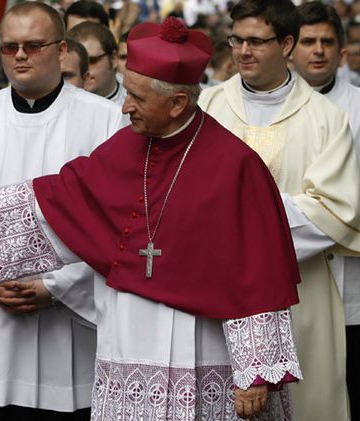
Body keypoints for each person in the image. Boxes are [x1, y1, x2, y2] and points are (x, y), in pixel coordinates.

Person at [0, 17, 303, 421]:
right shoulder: (126, 146)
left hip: (206, 347)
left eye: (137, 98)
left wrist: (256, 373)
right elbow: (59, 199)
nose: (124, 106)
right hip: (129, 340)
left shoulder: (235, 165)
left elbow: (260, 270)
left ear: (177, 103)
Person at [0, 2, 124, 420]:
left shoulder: (105, 122)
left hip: (68, 328)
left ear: (62, 49)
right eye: (10, 46)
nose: (19, 56)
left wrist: (57, 287)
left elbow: (115, 223)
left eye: (33, 45)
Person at [198, 1, 360, 420]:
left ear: (286, 44)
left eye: (256, 41)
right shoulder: (207, 108)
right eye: (237, 39)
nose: (243, 51)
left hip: (299, 294)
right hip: (220, 291)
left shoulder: (327, 119)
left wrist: (239, 224)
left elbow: (334, 212)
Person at [291, 3, 360, 420]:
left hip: (351, 281)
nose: (318, 50)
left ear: (341, 51)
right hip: (293, 275)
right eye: (308, 41)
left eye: (327, 42)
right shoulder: (272, 107)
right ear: (289, 47)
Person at [68, 22, 127, 104]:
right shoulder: (62, 102)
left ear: (113, 59)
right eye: (78, 64)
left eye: (92, 61)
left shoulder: (136, 101)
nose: (85, 72)